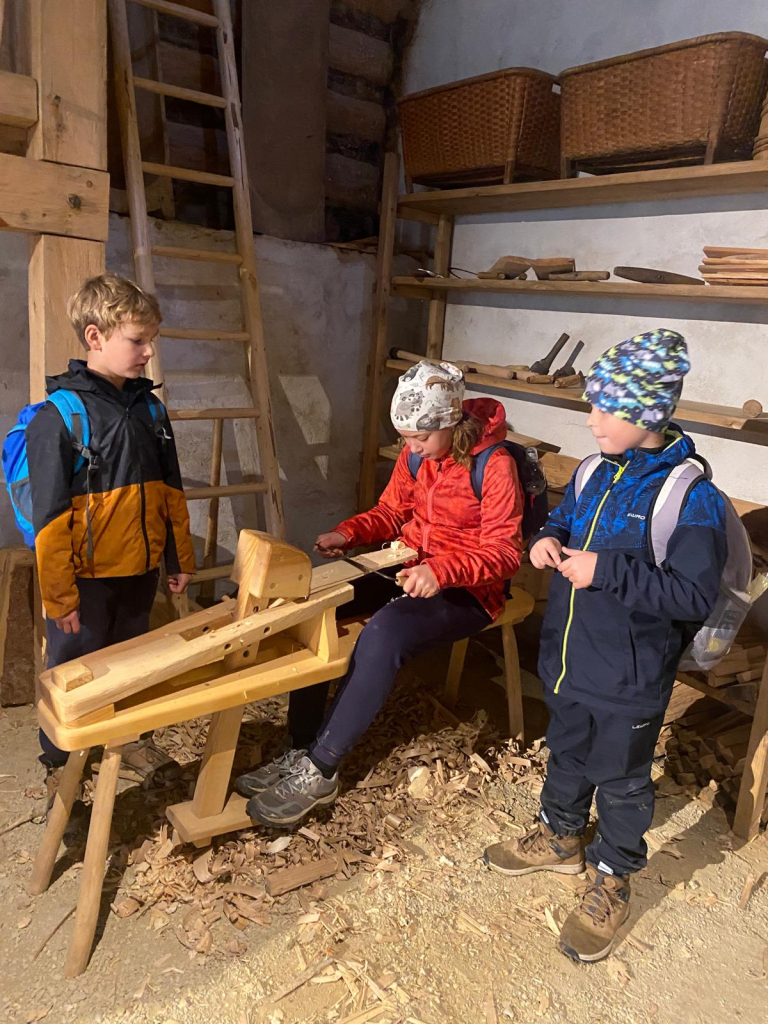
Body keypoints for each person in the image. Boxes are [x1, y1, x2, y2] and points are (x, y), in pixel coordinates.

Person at [484, 329, 727, 963]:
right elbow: (565, 520)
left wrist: (606, 570)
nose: (591, 420)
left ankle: (613, 876)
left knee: (621, 780)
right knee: (566, 752)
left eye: (605, 409)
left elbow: (692, 596)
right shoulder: (593, 470)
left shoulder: (689, 498)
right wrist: (545, 537)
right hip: (569, 659)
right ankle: (561, 837)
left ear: (646, 413)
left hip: (630, 675)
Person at [238, 359, 524, 826]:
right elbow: (392, 512)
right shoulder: (417, 457)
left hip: (471, 590)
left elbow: (505, 553)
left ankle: (322, 768)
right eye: (406, 438)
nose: (412, 448)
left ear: (451, 422)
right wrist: (348, 533)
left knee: (384, 635)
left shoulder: (494, 466)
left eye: (420, 438)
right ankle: (302, 747)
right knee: (319, 608)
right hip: (408, 566)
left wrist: (443, 571)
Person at [28, 272, 195, 771]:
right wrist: (60, 598)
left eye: (150, 340)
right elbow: (49, 520)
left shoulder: (150, 410)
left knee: (132, 663)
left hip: (140, 573)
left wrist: (178, 558)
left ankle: (129, 742)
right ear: (95, 336)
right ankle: (62, 765)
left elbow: (171, 491)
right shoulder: (58, 417)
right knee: (74, 673)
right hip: (85, 583)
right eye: (138, 340)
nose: (149, 352)